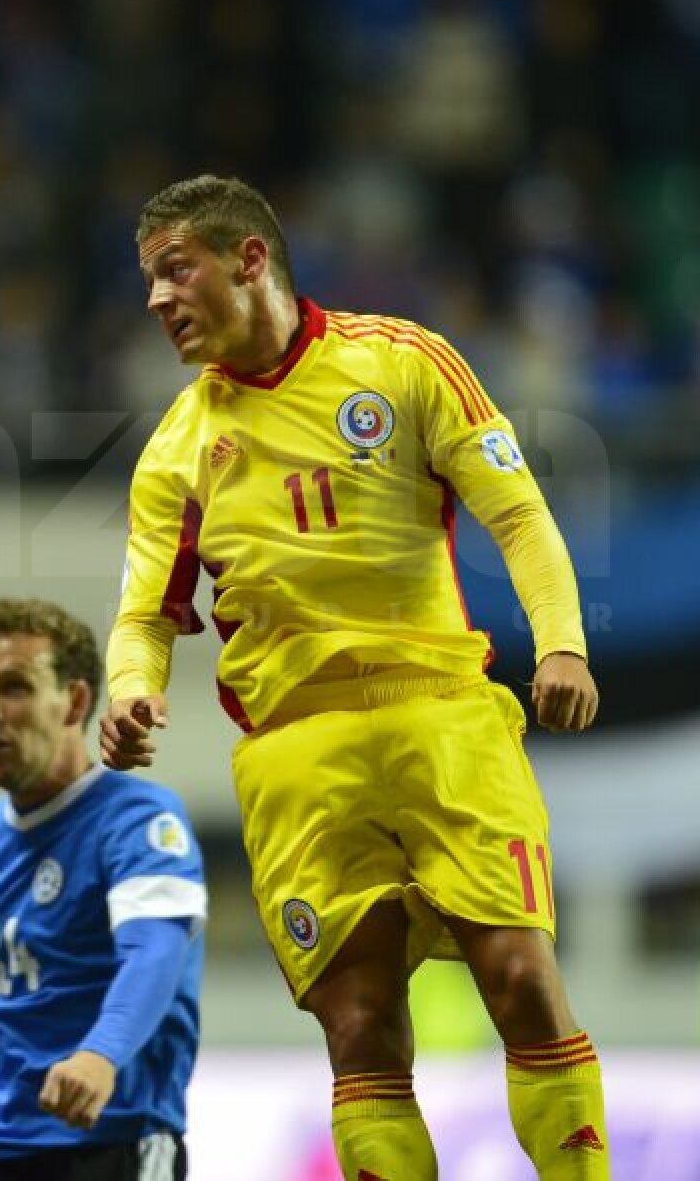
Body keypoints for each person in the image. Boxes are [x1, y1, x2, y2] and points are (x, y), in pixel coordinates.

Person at [100, 174, 608, 1180]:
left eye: (175, 270)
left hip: (443, 721)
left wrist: (563, 642)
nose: (157, 300)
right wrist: (128, 690)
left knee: (520, 980)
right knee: (360, 1026)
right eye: (149, 281)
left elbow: (518, 512)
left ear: (251, 259)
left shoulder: (403, 361)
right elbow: (145, 616)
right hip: (296, 758)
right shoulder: (176, 451)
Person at [0, 597, 205, 1181]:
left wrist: (99, 1055)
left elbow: (157, 950)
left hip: (103, 1139)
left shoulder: (139, 821)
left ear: (75, 702)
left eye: (13, 687)